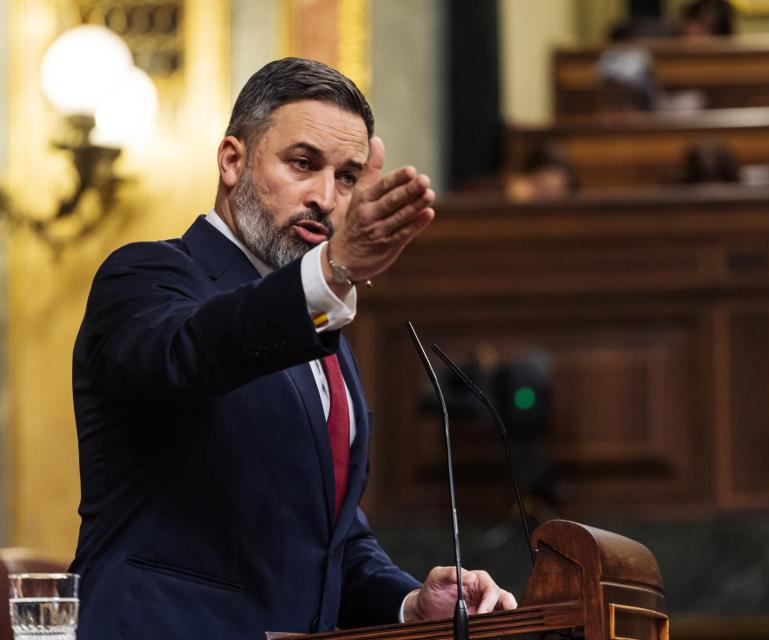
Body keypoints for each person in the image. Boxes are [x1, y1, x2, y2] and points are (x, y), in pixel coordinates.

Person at [69, 57, 517, 640]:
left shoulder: (325, 333)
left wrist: (410, 603)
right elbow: (191, 351)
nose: (326, 198)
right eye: (303, 164)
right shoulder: (147, 276)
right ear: (233, 161)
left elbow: (329, 541)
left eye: (349, 176)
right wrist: (329, 274)